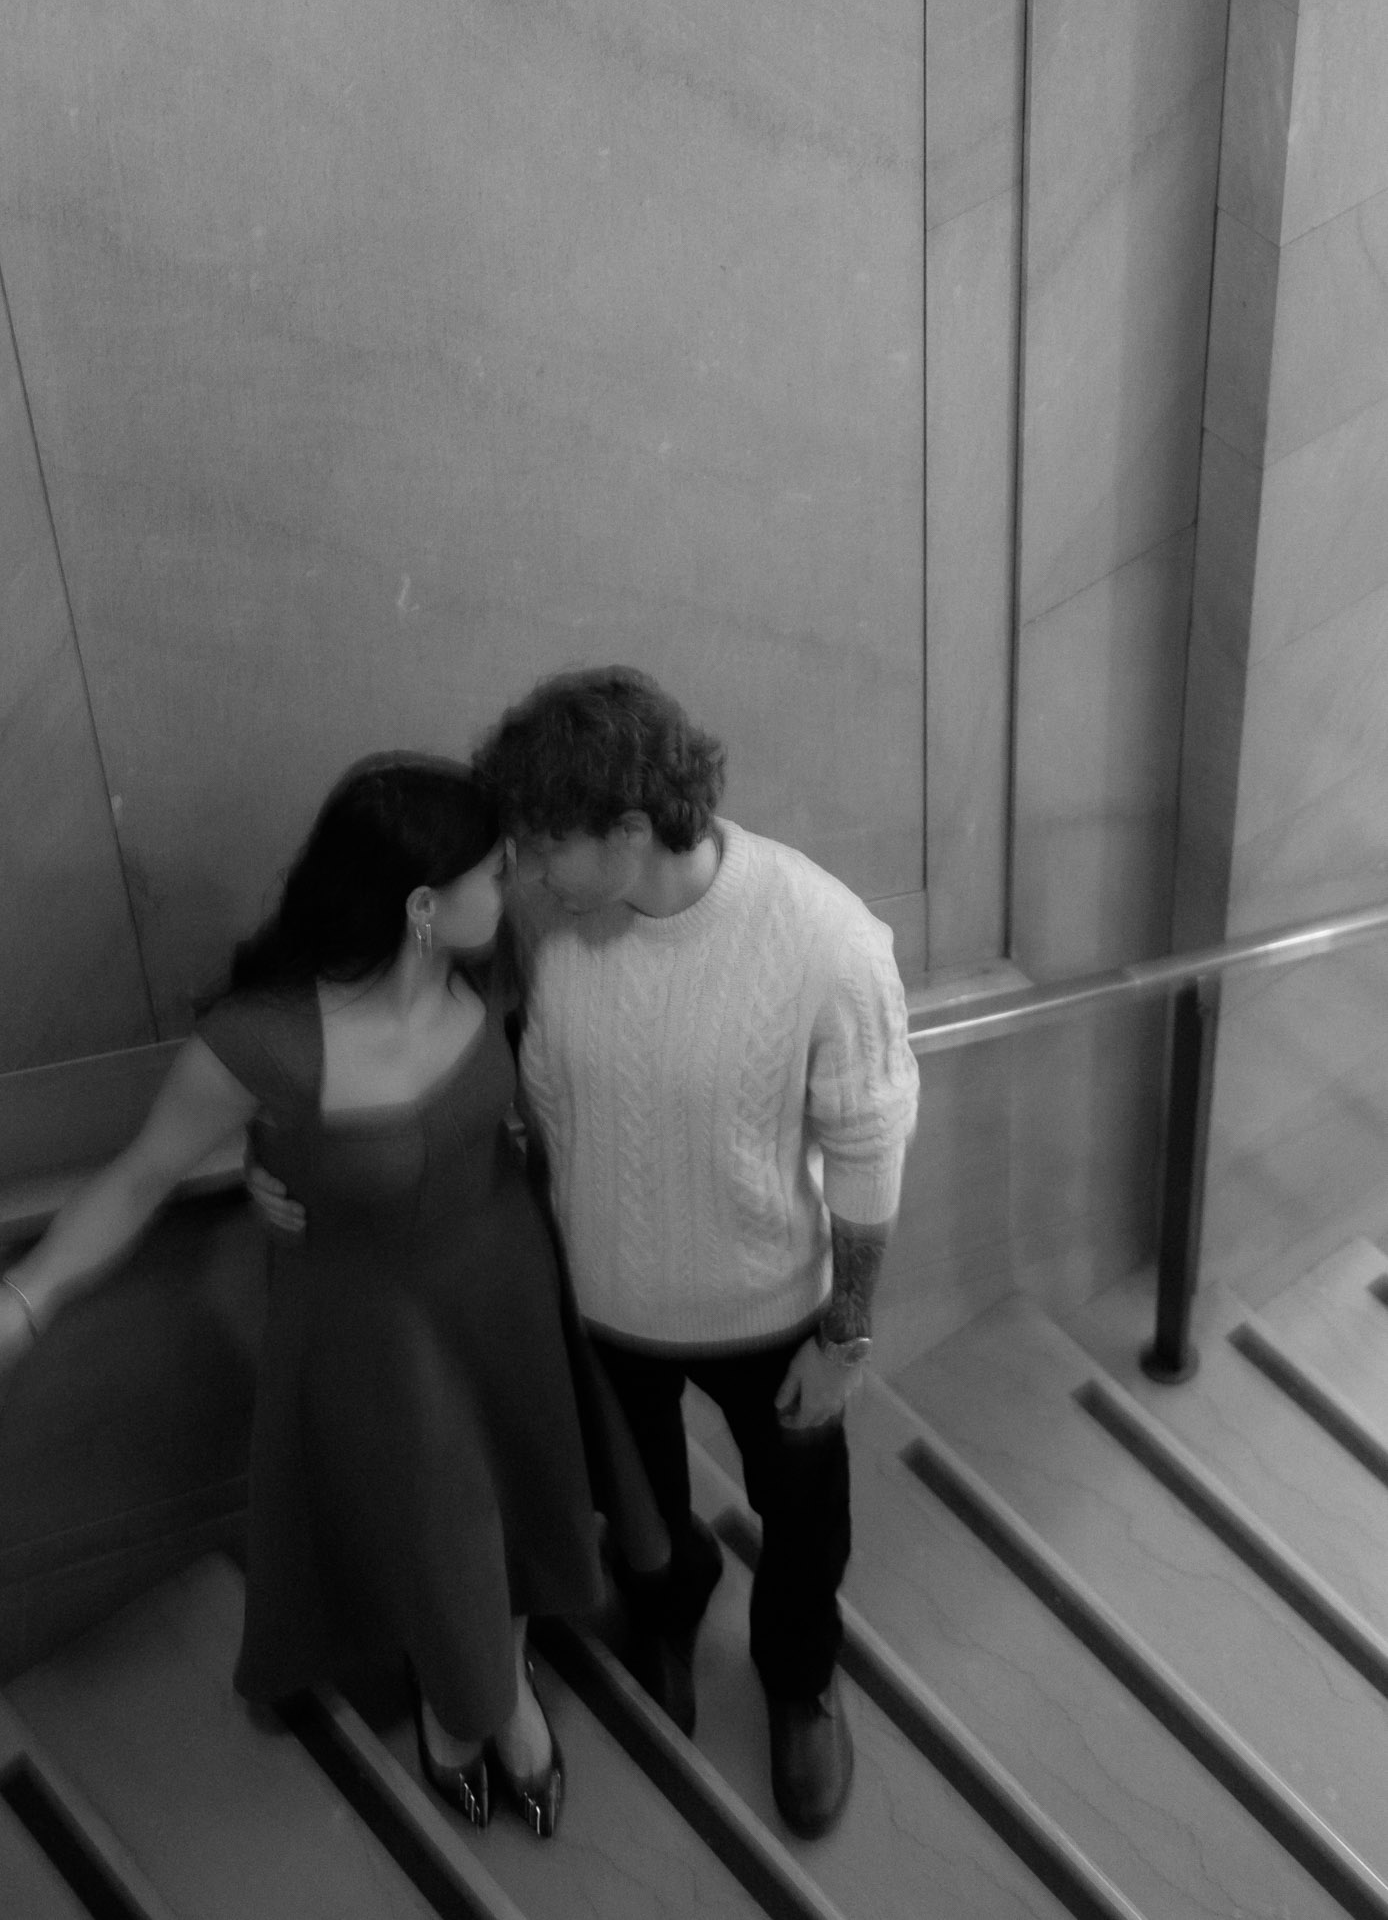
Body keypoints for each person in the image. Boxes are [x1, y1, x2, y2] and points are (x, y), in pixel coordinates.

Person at [0, 754, 655, 1838]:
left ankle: (506, 1671)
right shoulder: (261, 1041)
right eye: (495, 869)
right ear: (420, 903)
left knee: (524, 1488)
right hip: (370, 1332)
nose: (516, 884)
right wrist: (28, 1295)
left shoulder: (491, 965)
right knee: (438, 1523)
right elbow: (136, 1177)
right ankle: (470, 1707)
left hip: (503, 1282)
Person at [471, 667, 921, 1838]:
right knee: (640, 1508)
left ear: (630, 831)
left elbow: (867, 1148)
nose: (522, 869)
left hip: (773, 1312)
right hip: (604, 1311)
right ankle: (667, 1606)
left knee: (805, 1522)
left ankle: (797, 1674)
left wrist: (846, 1333)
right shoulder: (555, 927)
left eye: (542, 844)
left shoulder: (824, 938)